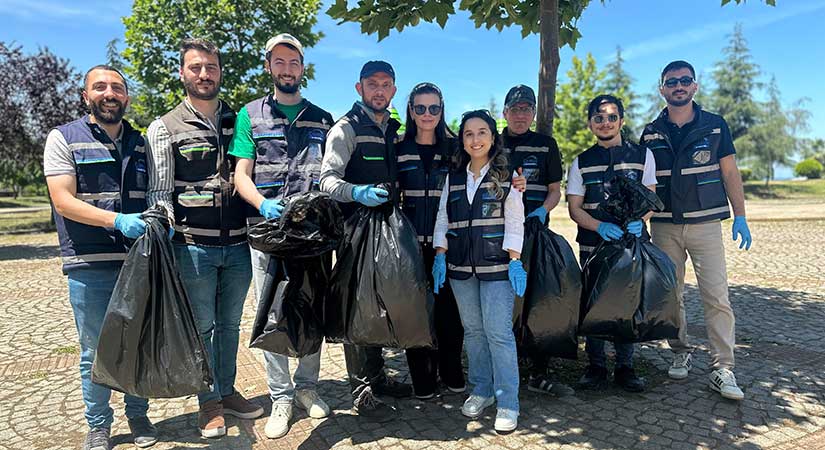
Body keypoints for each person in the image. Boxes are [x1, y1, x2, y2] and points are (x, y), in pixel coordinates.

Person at [146, 38, 263, 439]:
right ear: (182, 73)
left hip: (239, 243)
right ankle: (208, 403)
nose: (204, 74)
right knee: (204, 327)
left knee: (230, 325)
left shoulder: (239, 120)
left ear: (220, 72)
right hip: (193, 245)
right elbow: (160, 192)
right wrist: (162, 234)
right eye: (195, 67)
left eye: (211, 67)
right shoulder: (164, 127)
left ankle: (227, 391)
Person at [44, 65, 157, 450]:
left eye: (117, 88)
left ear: (126, 97)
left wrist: (162, 221)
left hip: (136, 261)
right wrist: (117, 220)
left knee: (136, 342)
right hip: (88, 263)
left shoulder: (141, 142)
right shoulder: (64, 138)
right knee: (95, 349)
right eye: (100, 87)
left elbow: (156, 194)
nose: (110, 93)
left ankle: (139, 416)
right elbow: (63, 200)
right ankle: (98, 425)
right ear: (85, 95)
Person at [229, 33, 334, 439]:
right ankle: (281, 396)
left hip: (311, 235)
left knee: (310, 307)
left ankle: (308, 388)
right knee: (271, 313)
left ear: (302, 68)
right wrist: (261, 203)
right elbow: (241, 173)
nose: (287, 69)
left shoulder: (322, 119)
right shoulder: (248, 115)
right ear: (269, 66)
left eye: (294, 62)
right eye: (280, 62)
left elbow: (331, 174)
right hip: (268, 231)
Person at [640, 60, 752, 401]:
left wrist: (740, 215)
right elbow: (645, 181)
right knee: (671, 295)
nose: (679, 86)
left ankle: (723, 367)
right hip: (664, 226)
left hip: (705, 224)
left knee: (716, 296)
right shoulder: (650, 132)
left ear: (695, 86)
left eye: (685, 80)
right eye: (672, 81)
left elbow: (730, 174)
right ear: (662, 88)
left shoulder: (715, 127)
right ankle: (680, 349)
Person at [320, 60, 413, 419]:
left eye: (386, 84)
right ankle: (361, 394)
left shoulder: (394, 128)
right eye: (371, 84)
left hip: (388, 232)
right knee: (358, 311)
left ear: (393, 90)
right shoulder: (346, 128)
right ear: (359, 88)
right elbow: (326, 180)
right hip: (354, 233)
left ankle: (378, 377)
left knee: (380, 306)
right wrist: (356, 192)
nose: (379, 90)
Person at [432, 110, 525, 434]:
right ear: (462, 139)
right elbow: (443, 219)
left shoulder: (507, 175)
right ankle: (482, 390)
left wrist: (515, 259)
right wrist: (440, 255)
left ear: (492, 137)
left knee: (498, 334)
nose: (475, 139)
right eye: (468, 133)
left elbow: (515, 221)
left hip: (498, 268)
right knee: (472, 332)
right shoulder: (453, 176)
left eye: (482, 132)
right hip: (459, 268)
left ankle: (508, 401)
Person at [567, 94, 657, 393]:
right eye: (599, 117)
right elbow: (574, 208)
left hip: (631, 245)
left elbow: (650, 197)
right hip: (594, 245)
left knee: (627, 302)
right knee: (594, 303)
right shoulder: (581, 162)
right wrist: (598, 226)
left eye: (611, 116)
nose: (605, 122)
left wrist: (640, 220)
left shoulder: (643, 155)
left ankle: (625, 366)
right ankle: (595, 366)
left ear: (622, 119)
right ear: (590, 123)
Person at [500, 84, 572, 397]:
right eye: (514, 109)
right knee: (504, 299)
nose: (520, 114)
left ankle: (539, 370)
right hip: (499, 234)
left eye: (526, 109)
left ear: (533, 113)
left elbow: (556, 188)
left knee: (538, 297)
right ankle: (506, 365)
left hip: (534, 230)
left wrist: (543, 210)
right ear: (504, 113)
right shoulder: (492, 141)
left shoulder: (546, 144)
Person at [396, 82, 466, 400]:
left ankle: (450, 370)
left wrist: (514, 182)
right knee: (416, 314)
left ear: (441, 110)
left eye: (434, 108)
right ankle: (422, 377)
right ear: (411, 110)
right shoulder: (398, 147)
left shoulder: (454, 149)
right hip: (409, 246)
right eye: (421, 108)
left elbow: (482, 175)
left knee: (449, 314)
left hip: (447, 246)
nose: (427, 114)